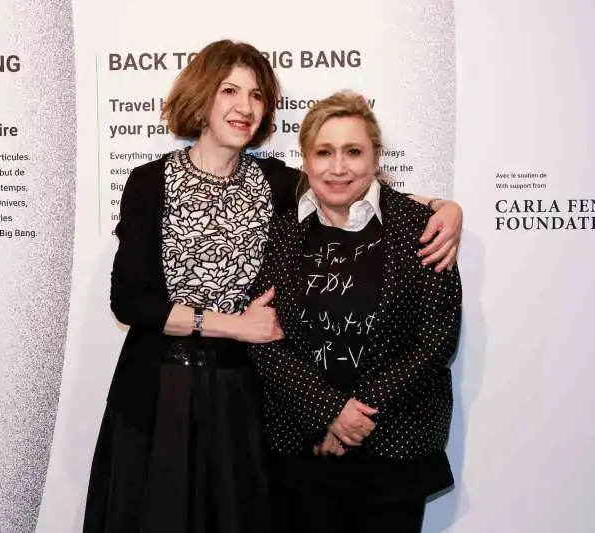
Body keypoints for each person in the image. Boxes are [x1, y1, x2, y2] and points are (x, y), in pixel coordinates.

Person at [83, 41, 462, 533]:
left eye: (257, 95)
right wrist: (234, 325)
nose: (245, 107)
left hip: (243, 392)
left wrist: (443, 209)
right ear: (201, 96)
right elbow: (130, 301)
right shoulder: (149, 182)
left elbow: (349, 184)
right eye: (230, 91)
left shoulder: (275, 182)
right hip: (159, 388)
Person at [249, 91, 462, 533]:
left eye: (353, 151)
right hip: (303, 448)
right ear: (305, 160)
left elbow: (438, 338)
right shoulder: (282, 232)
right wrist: (328, 410)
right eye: (324, 152)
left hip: (395, 449)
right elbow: (262, 336)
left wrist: (356, 414)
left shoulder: (423, 228)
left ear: (376, 157)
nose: (339, 167)